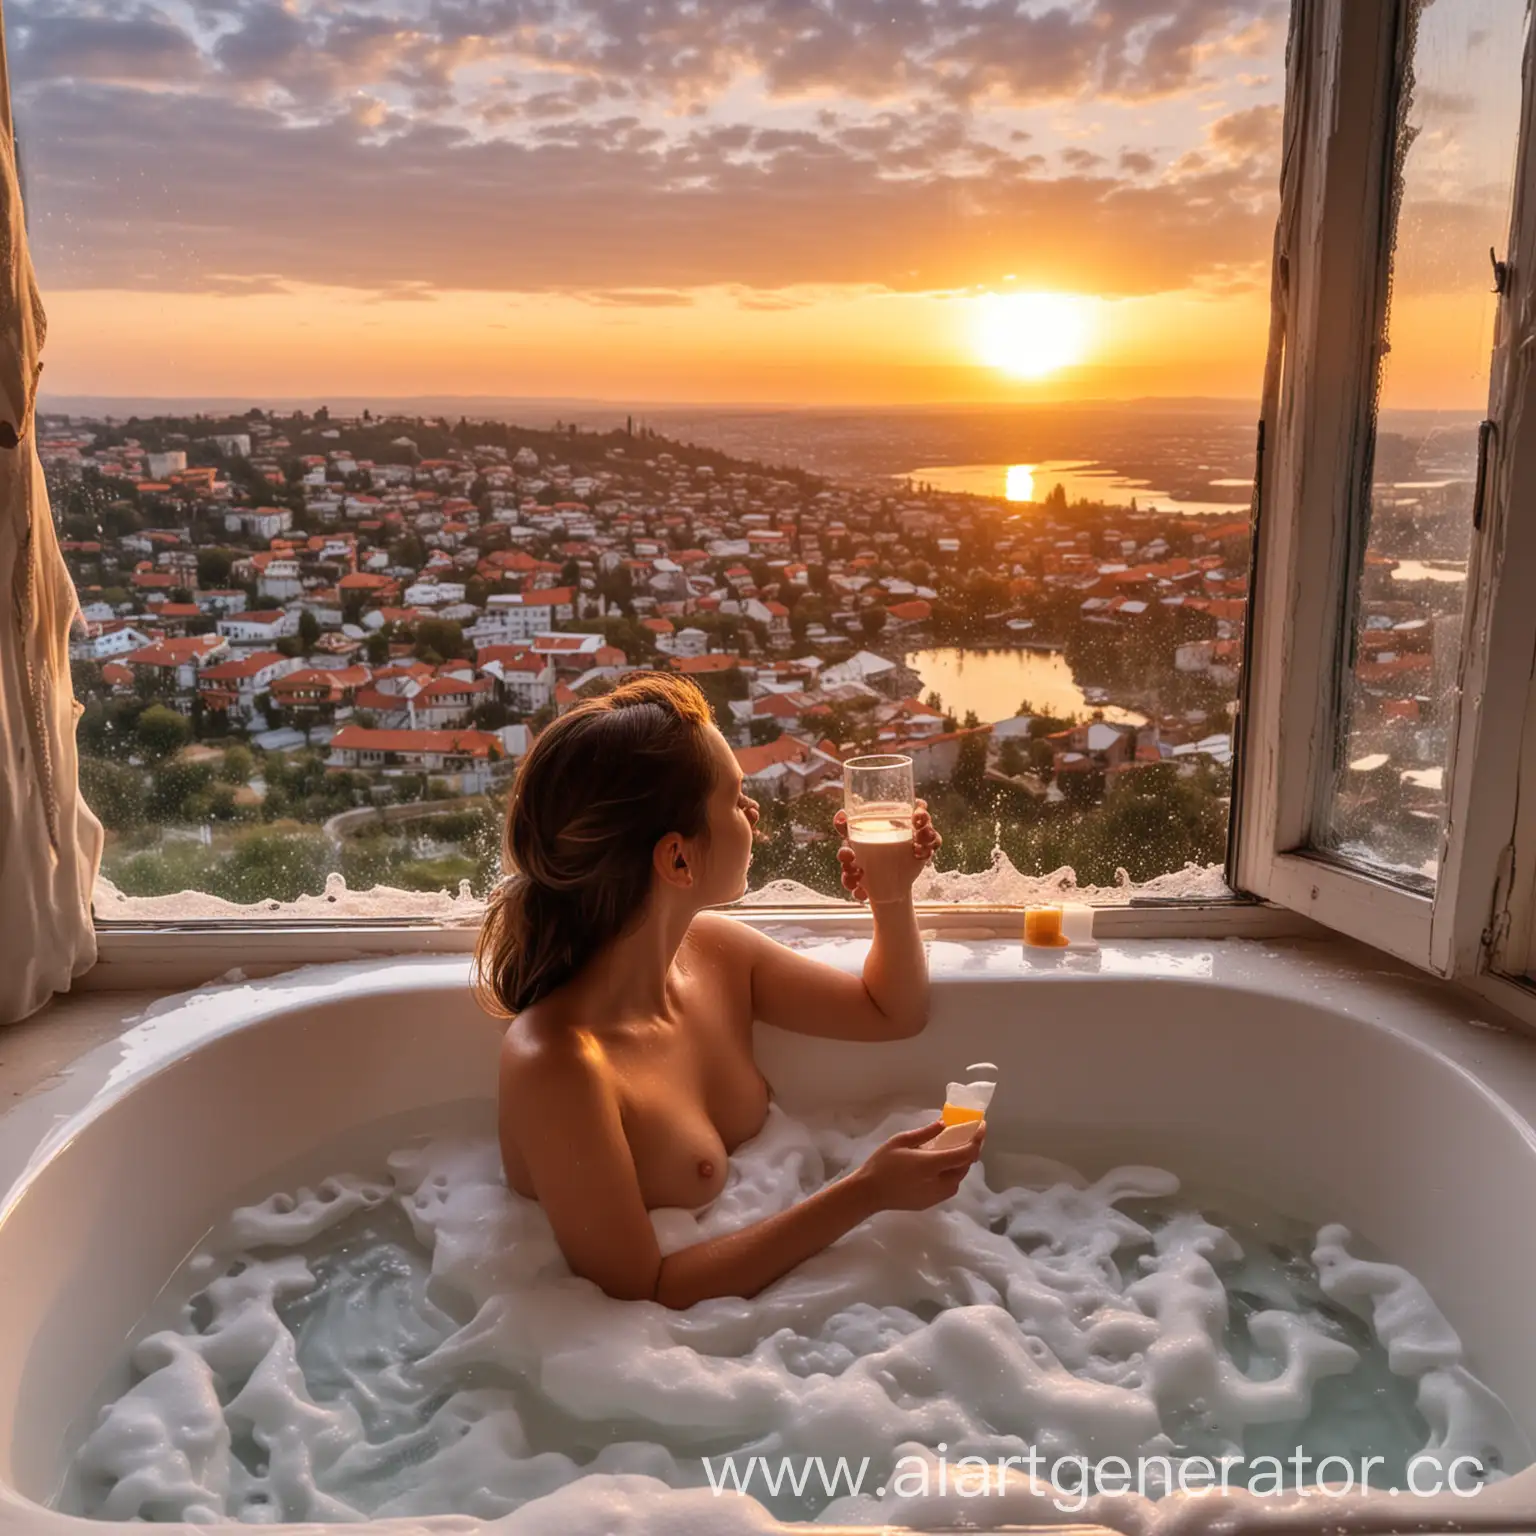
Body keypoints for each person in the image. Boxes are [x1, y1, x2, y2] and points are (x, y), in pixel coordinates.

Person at [476, 672, 983, 1308]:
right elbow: (641, 1291)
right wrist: (866, 1192)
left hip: (757, 1330)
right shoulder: (558, 1065)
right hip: (659, 1354)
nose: (755, 812)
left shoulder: (716, 954)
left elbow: (893, 1012)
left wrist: (890, 889)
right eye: (737, 797)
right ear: (678, 860)